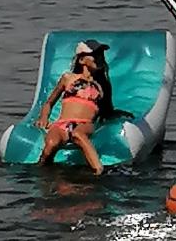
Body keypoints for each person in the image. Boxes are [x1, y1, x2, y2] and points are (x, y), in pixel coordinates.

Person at [34, 39, 127, 175]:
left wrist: (117, 114)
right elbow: (49, 102)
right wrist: (43, 117)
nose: (99, 58)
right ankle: (42, 174)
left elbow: (107, 110)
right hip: (62, 124)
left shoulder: (102, 85)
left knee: (78, 134)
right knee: (51, 145)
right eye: (95, 55)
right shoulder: (68, 78)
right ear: (82, 60)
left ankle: (98, 169)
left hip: (85, 124)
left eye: (101, 55)